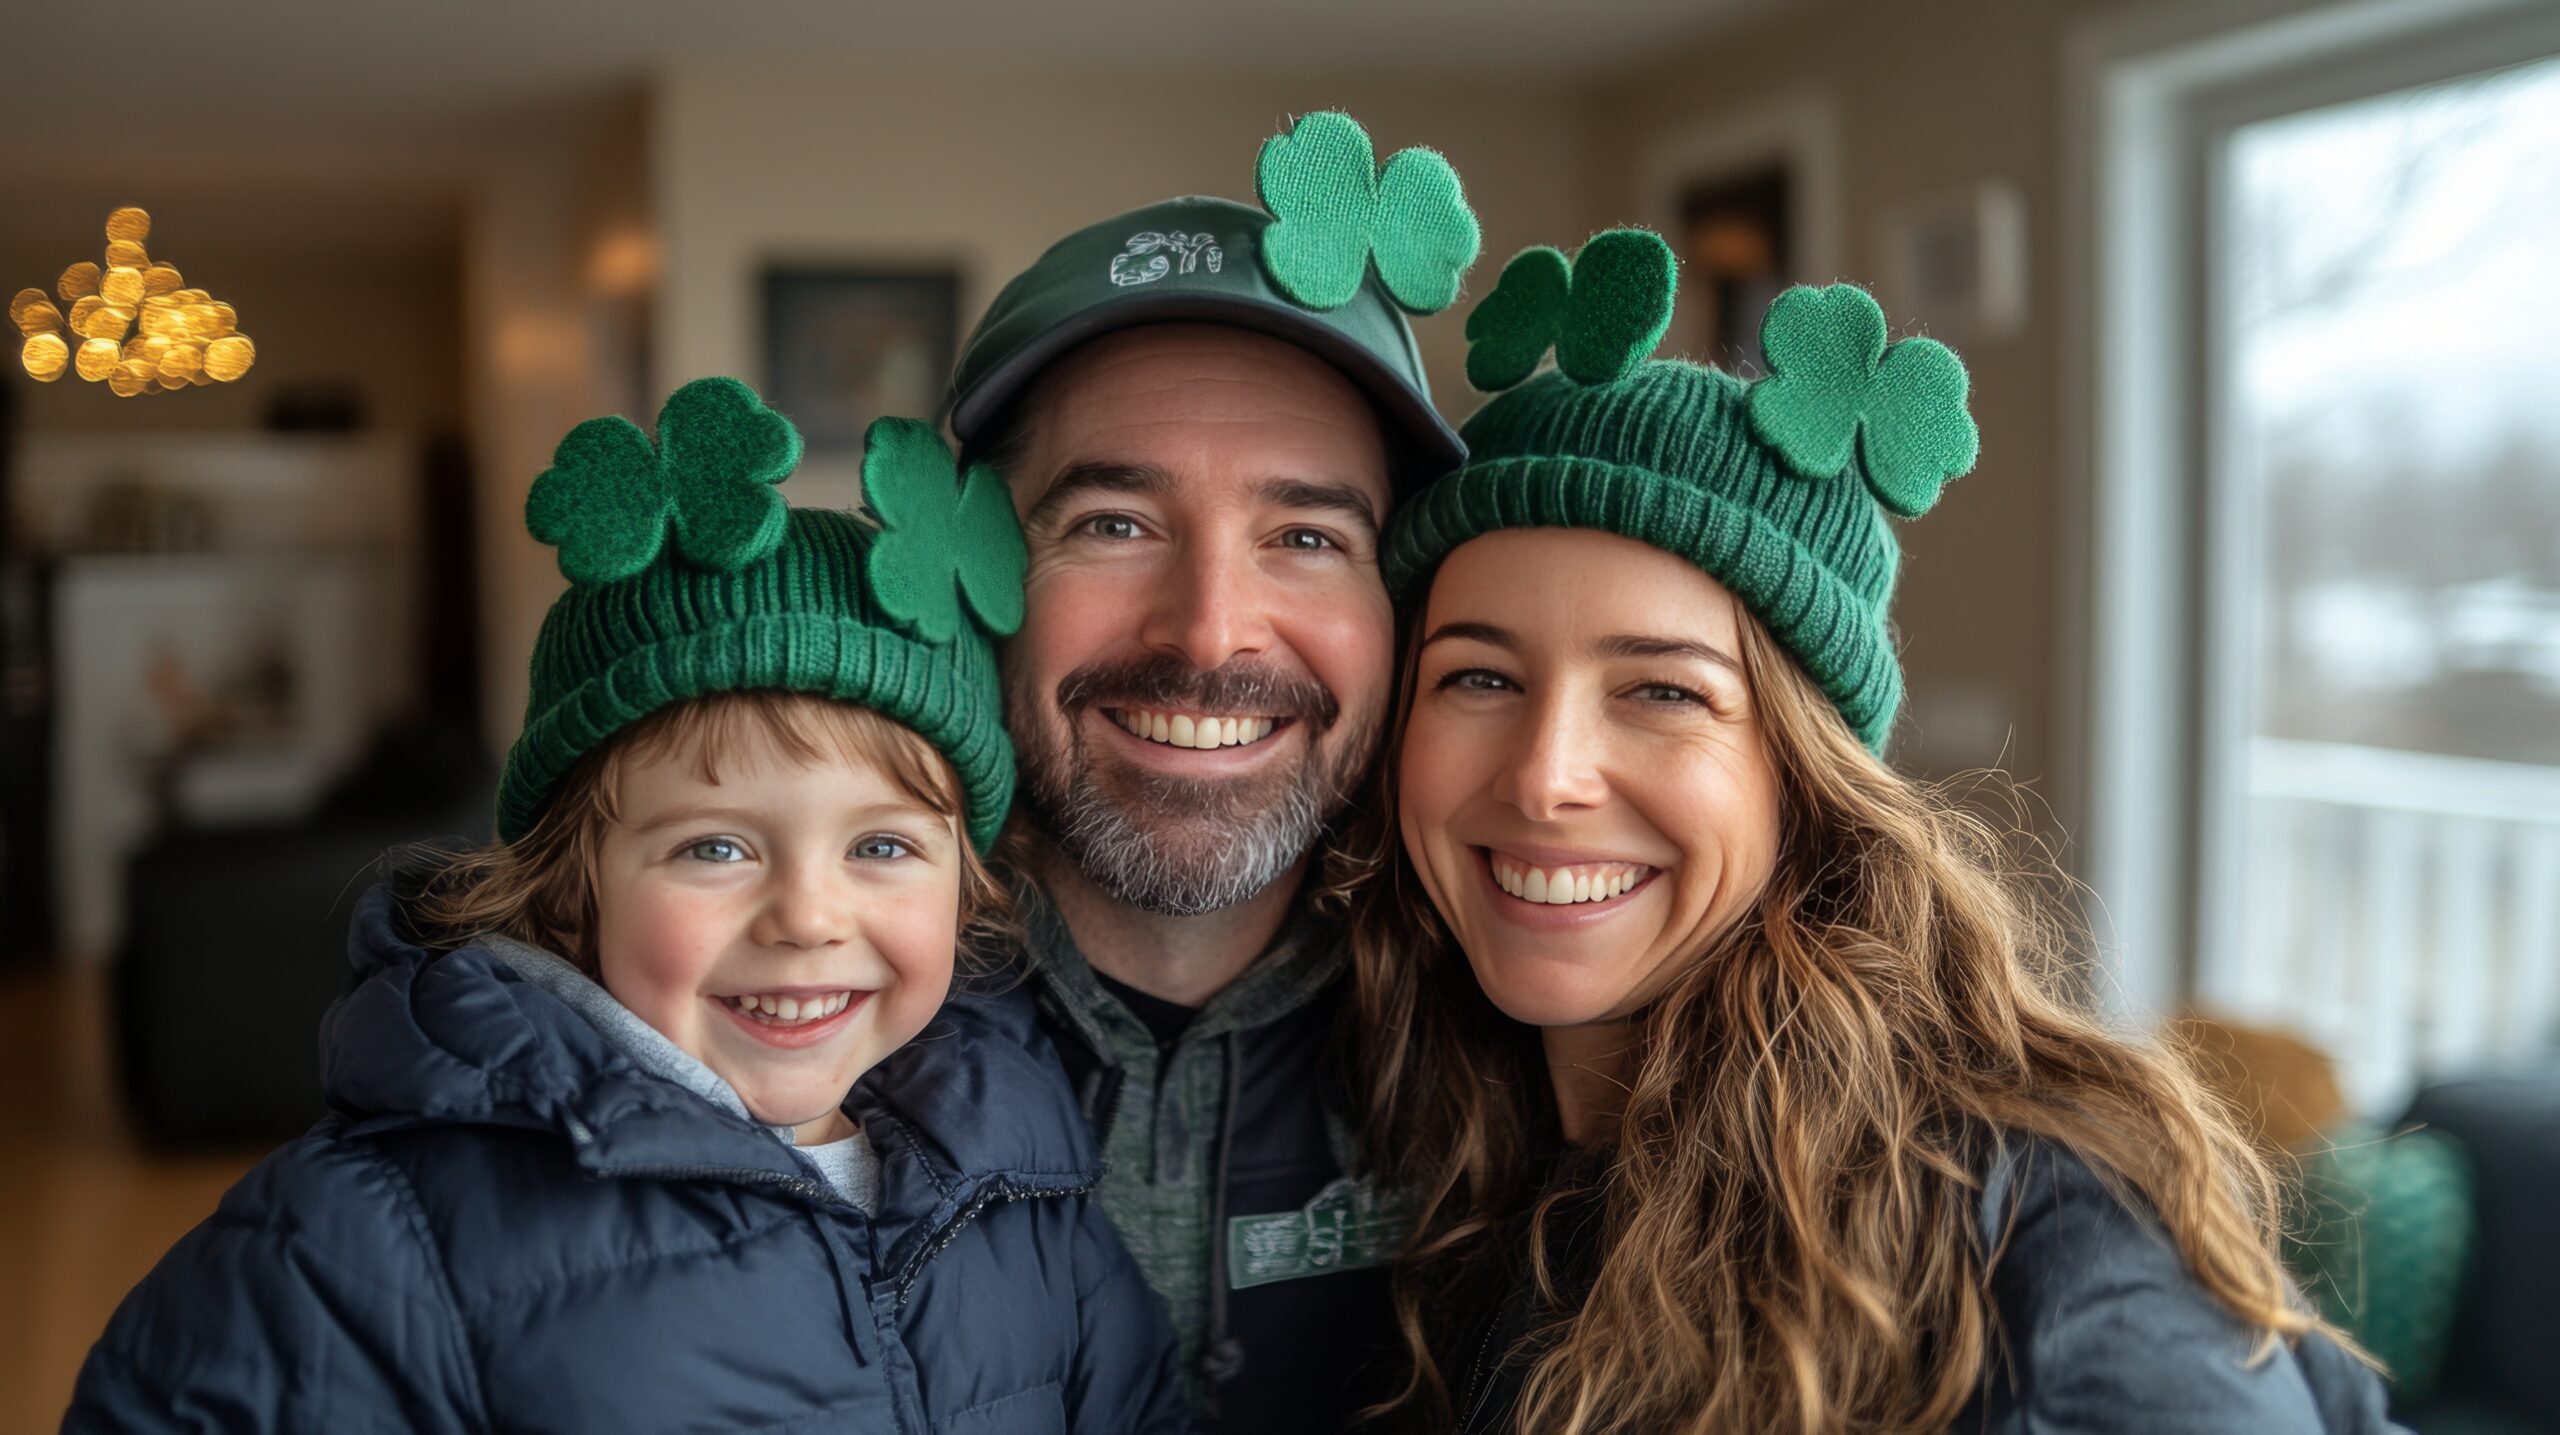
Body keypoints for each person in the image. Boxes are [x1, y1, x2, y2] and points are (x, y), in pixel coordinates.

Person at [1347, 233, 2405, 1433]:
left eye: (1663, 691)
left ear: (1802, 778)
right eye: (1478, 678)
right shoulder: (1428, 1112)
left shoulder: (2021, 1231)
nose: (1544, 778)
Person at [63, 380, 1189, 1434]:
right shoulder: (371, 1238)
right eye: (714, 846)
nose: (806, 916)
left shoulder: (1031, 1180)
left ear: (967, 884)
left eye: (883, 845)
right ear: (573, 881)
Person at [939, 110, 1479, 1432]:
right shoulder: (794, 1011)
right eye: (1114, 522)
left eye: (1304, 533)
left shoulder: (1524, 1030)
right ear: (971, 576)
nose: (1208, 628)